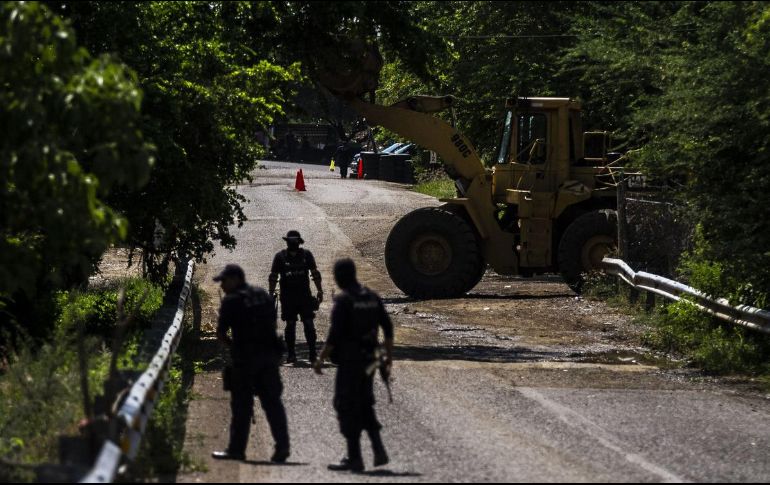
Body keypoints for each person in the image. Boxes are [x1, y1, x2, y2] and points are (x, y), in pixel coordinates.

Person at [313, 258, 394, 473]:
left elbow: (334, 335)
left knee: (345, 405)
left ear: (340, 278)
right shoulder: (372, 297)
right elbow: (388, 329)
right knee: (365, 403)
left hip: (350, 363)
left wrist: (321, 359)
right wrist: (387, 357)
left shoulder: (345, 301)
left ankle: (354, 457)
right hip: (370, 361)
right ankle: (378, 449)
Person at [212, 264, 290, 463]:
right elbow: (272, 324)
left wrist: (233, 347)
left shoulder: (231, 301)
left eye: (224, 281)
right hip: (269, 357)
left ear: (236, 279)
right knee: (272, 403)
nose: (222, 286)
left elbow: (221, 334)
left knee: (241, 406)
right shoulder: (263, 295)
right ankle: (283, 447)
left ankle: (237, 450)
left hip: (245, 360)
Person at [269, 231, 323, 364]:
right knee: (290, 325)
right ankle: (291, 354)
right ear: (286, 242)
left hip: (304, 296)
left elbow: (315, 273)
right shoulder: (280, 257)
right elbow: (273, 276)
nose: (292, 243)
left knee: (309, 324)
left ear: (299, 242)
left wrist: (320, 290)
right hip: (288, 297)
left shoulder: (306, 255)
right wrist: (270, 293)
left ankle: (312, 353)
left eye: (294, 241)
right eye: (290, 241)